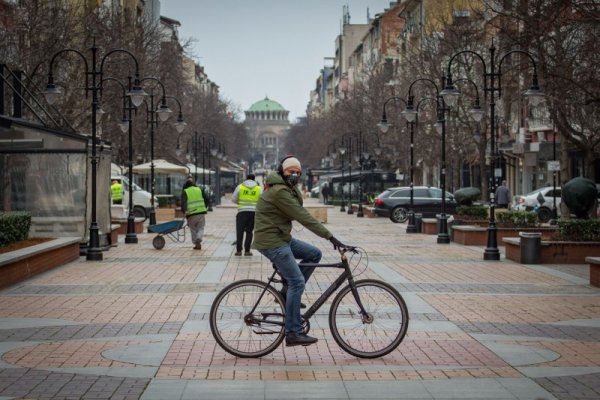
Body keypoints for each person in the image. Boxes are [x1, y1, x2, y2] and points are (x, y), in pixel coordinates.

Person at [253, 156, 347, 347]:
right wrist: (330, 237)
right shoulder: (279, 191)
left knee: (314, 254)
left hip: (281, 238)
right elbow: (302, 215)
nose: (294, 175)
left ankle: (288, 294)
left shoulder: (286, 188)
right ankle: (293, 332)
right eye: (290, 171)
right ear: (282, 171)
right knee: (298, 281)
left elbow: (298, 206)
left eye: (297, 172)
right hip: (271, 241)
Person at [231, 173, 262, 256]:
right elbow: (262, 200)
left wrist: (240, 203)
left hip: (242, 212)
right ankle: (247, 251)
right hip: (253, 213)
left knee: (239, 231)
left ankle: (238, 251)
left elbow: (233, 198)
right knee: (249, 231)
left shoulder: (240, 187)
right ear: (254, 179)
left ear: (246, 179)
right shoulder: (258, 188)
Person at [181, 175, 209, 250]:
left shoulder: (185, 191)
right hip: (201, 212)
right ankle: (199, 238)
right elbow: (206, 198)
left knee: (193, 229)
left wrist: (184, 210)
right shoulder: (199, 189)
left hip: (191, 214)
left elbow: (183, 202)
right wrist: (205, 206)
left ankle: (196, 243)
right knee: (201, 227)